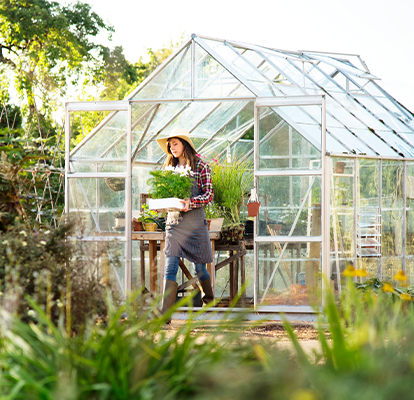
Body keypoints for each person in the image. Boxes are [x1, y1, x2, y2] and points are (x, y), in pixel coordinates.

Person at [156, 128, 215, 318]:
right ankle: (165, 315)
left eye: (175, 143)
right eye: (170, 144)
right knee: (170, 265)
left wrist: (192, 202)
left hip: (195, 224)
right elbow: (163, 194)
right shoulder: (168, 168)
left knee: (199, 268)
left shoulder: (200, 167)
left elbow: (208, 194)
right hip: (174, 223)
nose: (171, 148)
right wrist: (161, 205)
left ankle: (209, 299)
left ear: (185, 145)